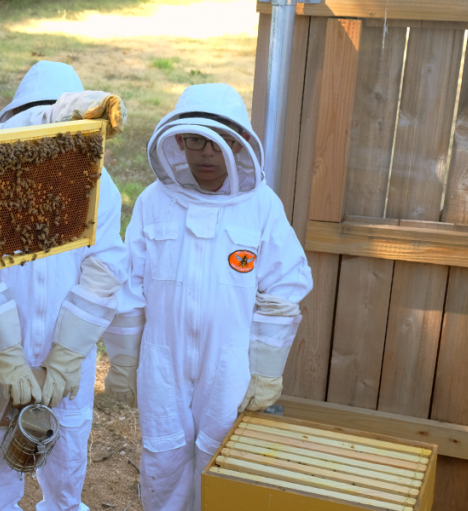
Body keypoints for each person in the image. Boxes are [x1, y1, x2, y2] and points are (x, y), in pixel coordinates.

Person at [102, 83, 313, 511]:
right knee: (163, 457)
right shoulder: (153, 202)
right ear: (178, 140)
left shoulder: (261, 207)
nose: (206, 154)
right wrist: (124, 359)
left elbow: (284, 286)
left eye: (219, 143)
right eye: (196, 141)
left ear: (239, 143)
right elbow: (130, 286)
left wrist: (267, 370)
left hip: (231, 361)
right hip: (162, 358)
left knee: (222, 461)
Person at [0, 61, 129, 511]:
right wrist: (8, 358)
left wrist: (66, 355)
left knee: (67, 454)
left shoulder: (100, 185)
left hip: (67, 353)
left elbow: (104, 270)